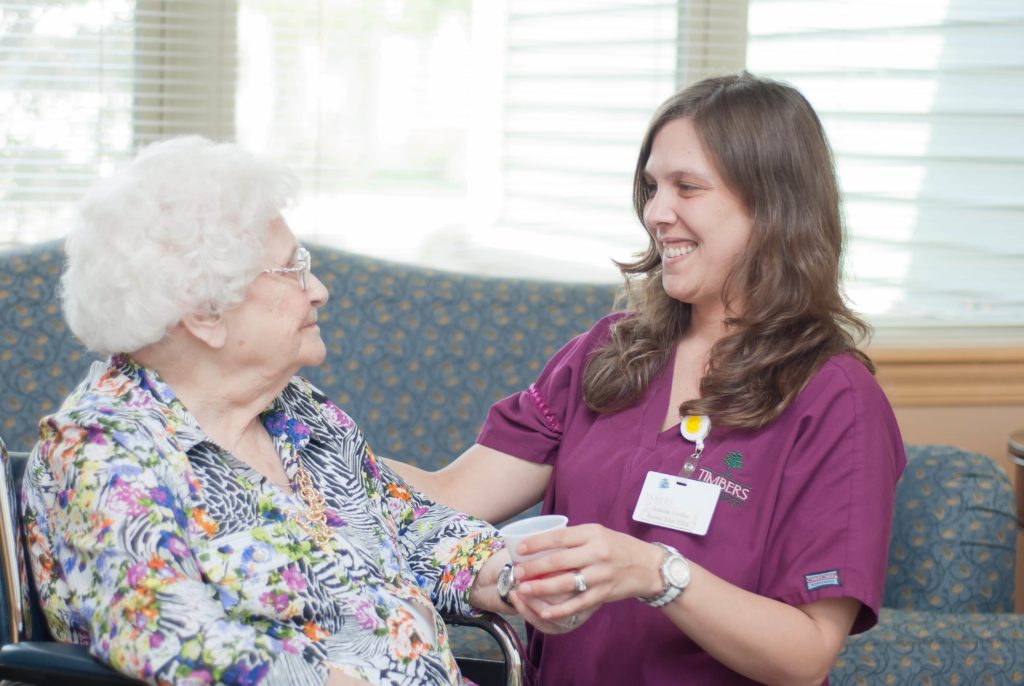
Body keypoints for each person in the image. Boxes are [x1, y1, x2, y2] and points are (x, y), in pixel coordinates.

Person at [388, 72, 907, 686]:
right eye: (652, 187)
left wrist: (659, 573)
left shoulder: (835, 400)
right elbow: (447, 494)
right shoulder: (609, 350)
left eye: (687, 188)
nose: (657, 214)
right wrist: (291, 432)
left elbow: (806, 654)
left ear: (773, 207)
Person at [21, 136, 515, 686]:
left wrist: (504, 571)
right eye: (292, 270)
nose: (320, 290)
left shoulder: (298, 411)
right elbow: (168, 640)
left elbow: (405, 526)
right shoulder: (102, 453)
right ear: (205, 311)